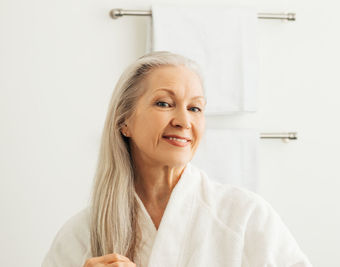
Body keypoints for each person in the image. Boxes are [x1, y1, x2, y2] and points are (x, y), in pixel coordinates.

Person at [42, 51, 312, 267]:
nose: (184, 121)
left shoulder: (245, 216)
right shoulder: (82, 234)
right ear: (124, 121)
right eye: (164, 103)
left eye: (195, 108)